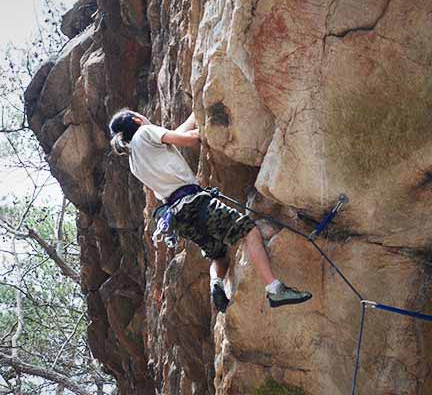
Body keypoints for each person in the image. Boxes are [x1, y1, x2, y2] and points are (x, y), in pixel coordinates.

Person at [108, 108, 312, 312]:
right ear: (136, 120)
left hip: (178, 217)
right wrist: (207, 126)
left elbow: (176, 134)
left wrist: (195, 112)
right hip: (194, 204)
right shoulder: (146, 132)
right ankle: (274, 288)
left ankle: (217, 283)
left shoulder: (134, 159)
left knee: (218, 255)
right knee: (248, 230)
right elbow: (188, 139)